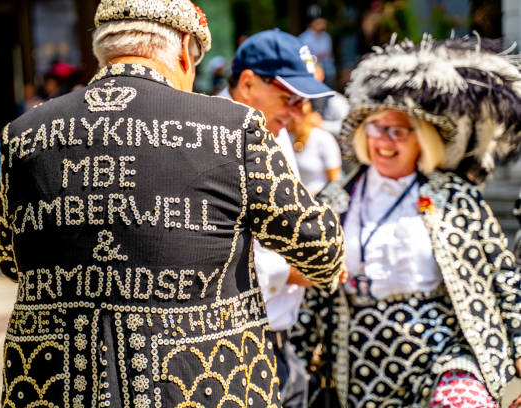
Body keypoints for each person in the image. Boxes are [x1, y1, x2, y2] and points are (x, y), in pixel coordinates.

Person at [0, 2, 345, 407]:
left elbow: (10, 260)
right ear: (183, 49)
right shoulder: (235, 128)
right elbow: (322, 249)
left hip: (53, 385)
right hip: (199, 382)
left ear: (103, 50)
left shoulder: (24, 135)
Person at [292, 35, 521, 408]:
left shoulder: (455, 196)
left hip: (445, 351)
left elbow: (502, 276)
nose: (385, 140)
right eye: (376, 127)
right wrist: (292, 364)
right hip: (360, 365)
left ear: (421, 138)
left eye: (398, 130)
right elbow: (311, 294)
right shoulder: (335, 202)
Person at [219, 29, 340, 408]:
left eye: (303, 100)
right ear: (248, 82)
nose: (297, 110)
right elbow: (209, 245)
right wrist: (290, 272)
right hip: (236, 340)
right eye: (289, 98)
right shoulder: (212, 137)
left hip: (278, 334)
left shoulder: (271, 127)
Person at [288, 103, 342, 195]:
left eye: (301, 114)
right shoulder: (288, 137)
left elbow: (334, 179)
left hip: (319, 198)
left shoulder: (323, 138)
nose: (297, 119)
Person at [299, 17, 336, 87]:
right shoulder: (305, 37)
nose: (322, 25)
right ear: (312, 24)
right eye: (319, 23)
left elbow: (328, 53)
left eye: (323, 23)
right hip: (312, 65)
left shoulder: (326, 36)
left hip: (327, 65)